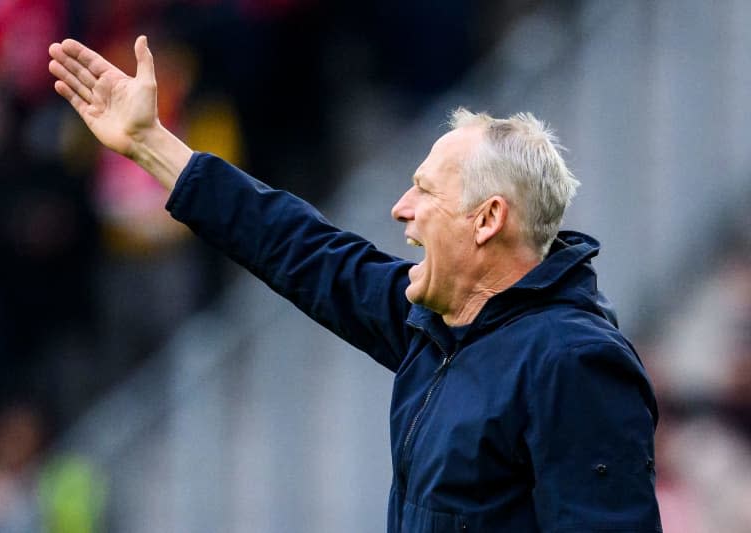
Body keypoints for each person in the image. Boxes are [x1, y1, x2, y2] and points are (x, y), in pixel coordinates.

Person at [48, 36, 662, 532]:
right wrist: (151, 144)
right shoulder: (438, 327)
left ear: (488, 219)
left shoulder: (574, 362)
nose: (401, 207)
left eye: (424, 189)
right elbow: (304, 250)